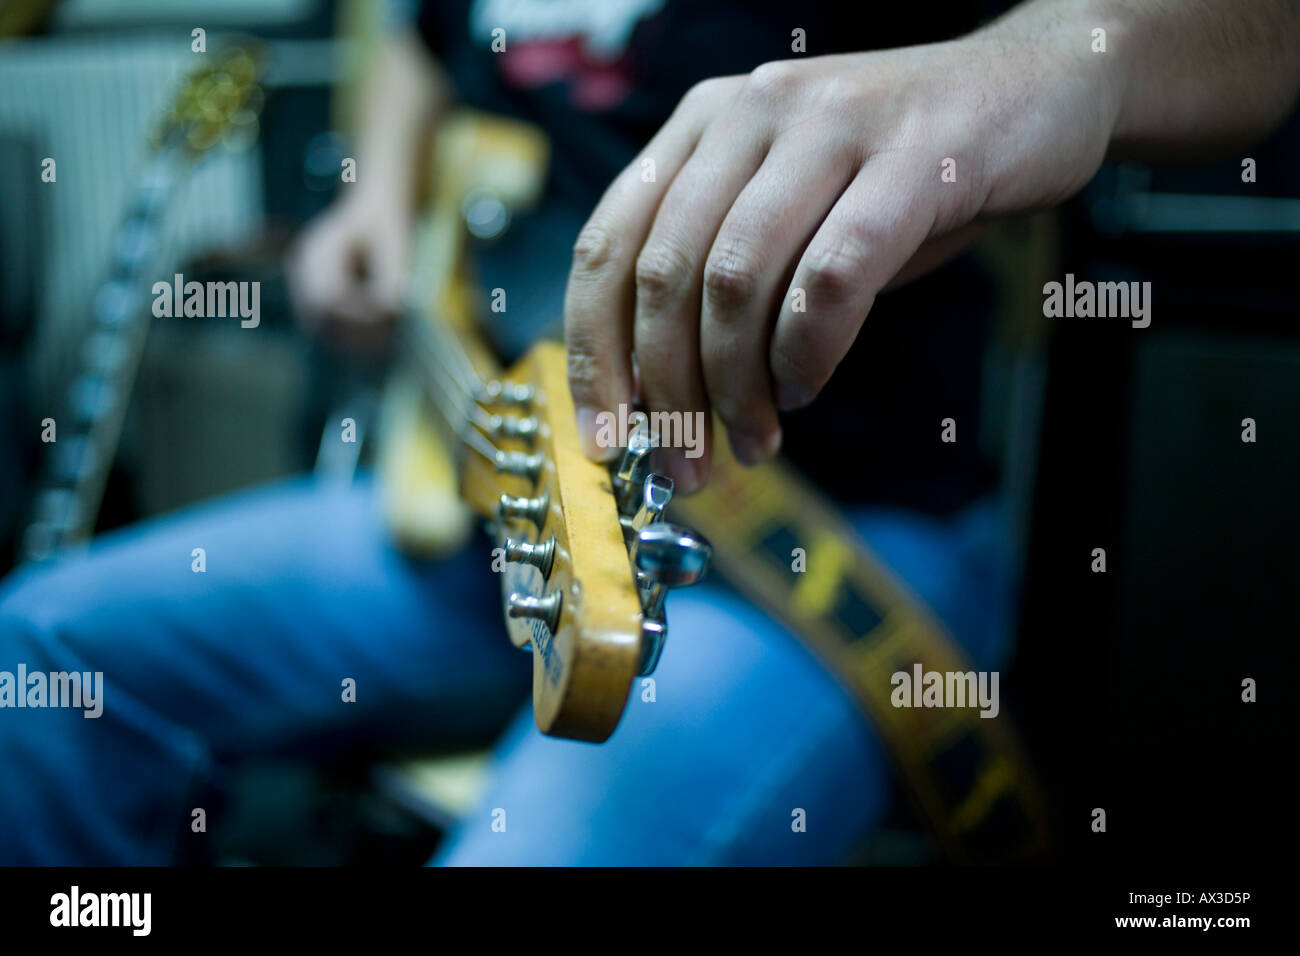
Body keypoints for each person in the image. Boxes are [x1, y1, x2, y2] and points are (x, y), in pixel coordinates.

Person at [1, 0, 1297, 864]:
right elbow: (408, 24)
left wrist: (1068, 48)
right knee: (41, 650)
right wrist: (379, 197)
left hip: (830, 545)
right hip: (497, 499)